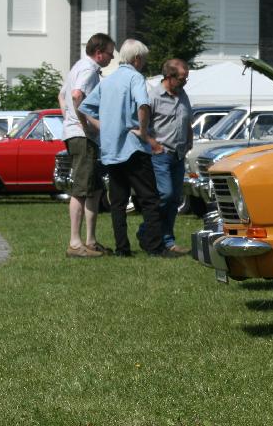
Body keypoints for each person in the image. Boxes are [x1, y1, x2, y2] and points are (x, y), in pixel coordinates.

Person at [79, 39, 178, 258]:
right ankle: (155, 246)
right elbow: (143, 104)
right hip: (133, 149)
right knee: (150, 199)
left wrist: (104, 127)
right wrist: (143, 131)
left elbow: (85, 107)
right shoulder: (135, 77)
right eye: (144, 60)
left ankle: (122, 248)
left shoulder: (108, 81)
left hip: (112, 149)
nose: (144, 63)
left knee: (118, 202)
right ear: (137, 59)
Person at [60, 33, 115, 258]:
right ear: (99, 53)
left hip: (78, 134)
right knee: (82, 189)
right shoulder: (89, 69)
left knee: (95, 188)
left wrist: (68, 120)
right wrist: (85, 124)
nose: (112, 58)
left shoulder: (78, 66)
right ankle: (75, 243)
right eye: (110, 53)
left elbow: (61, 96)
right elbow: (76, 96)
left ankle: (90, 241)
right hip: (83, 136)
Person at [138, 58, 193, 254]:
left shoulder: (183, 94)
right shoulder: (153, 96)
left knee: (174, 199)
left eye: (186, 78)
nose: (185, 82)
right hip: (160, 155)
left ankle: (168, 240)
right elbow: (141, 127)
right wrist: (153, 144)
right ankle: (146, 231)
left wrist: (189, 140)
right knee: (165, 195)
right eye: (182, 78)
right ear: (169, 77)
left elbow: (187, 121)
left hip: (179, 154)